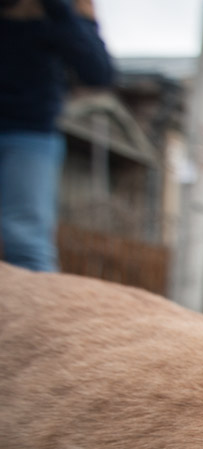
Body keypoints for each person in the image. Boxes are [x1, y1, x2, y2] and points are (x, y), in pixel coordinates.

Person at [0, 0, 113, 272]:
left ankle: (34, 310)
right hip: (30, 133)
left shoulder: (66, 11)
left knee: (25, 241)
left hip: (29, 134)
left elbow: (98, 72)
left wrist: (57, 10)